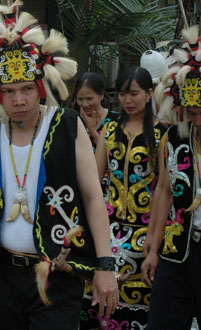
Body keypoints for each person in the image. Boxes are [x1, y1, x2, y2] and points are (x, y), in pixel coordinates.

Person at [0, 0, 118, 330]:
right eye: (10, 91)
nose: (18, 100)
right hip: (3, 275)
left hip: (57, 274)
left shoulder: (67, 125)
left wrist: (105, 265)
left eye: (27, 89)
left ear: (41, 87)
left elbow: (91, 196)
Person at [82, 67, 166, 329]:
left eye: (134, 93)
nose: (128, 100)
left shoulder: (164, 134)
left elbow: (164, 190)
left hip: (146, 232)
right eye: (122, 94)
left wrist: (156, 238)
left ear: (150, 93)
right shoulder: (108, 132)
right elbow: (93, 183)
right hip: (110, 228)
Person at [141, 24, 201, 329]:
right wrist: (153, 246)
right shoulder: (175, 139)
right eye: (192, 112)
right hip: (178, 251)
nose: (197, 120)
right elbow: (163, 191)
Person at [74, 72, 118, 151]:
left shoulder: (115, 121)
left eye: (89, 99)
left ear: (101, 95)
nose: (84, 104)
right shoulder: (72, 121)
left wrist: (93, 131)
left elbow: (112, 155)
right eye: (80, 99)